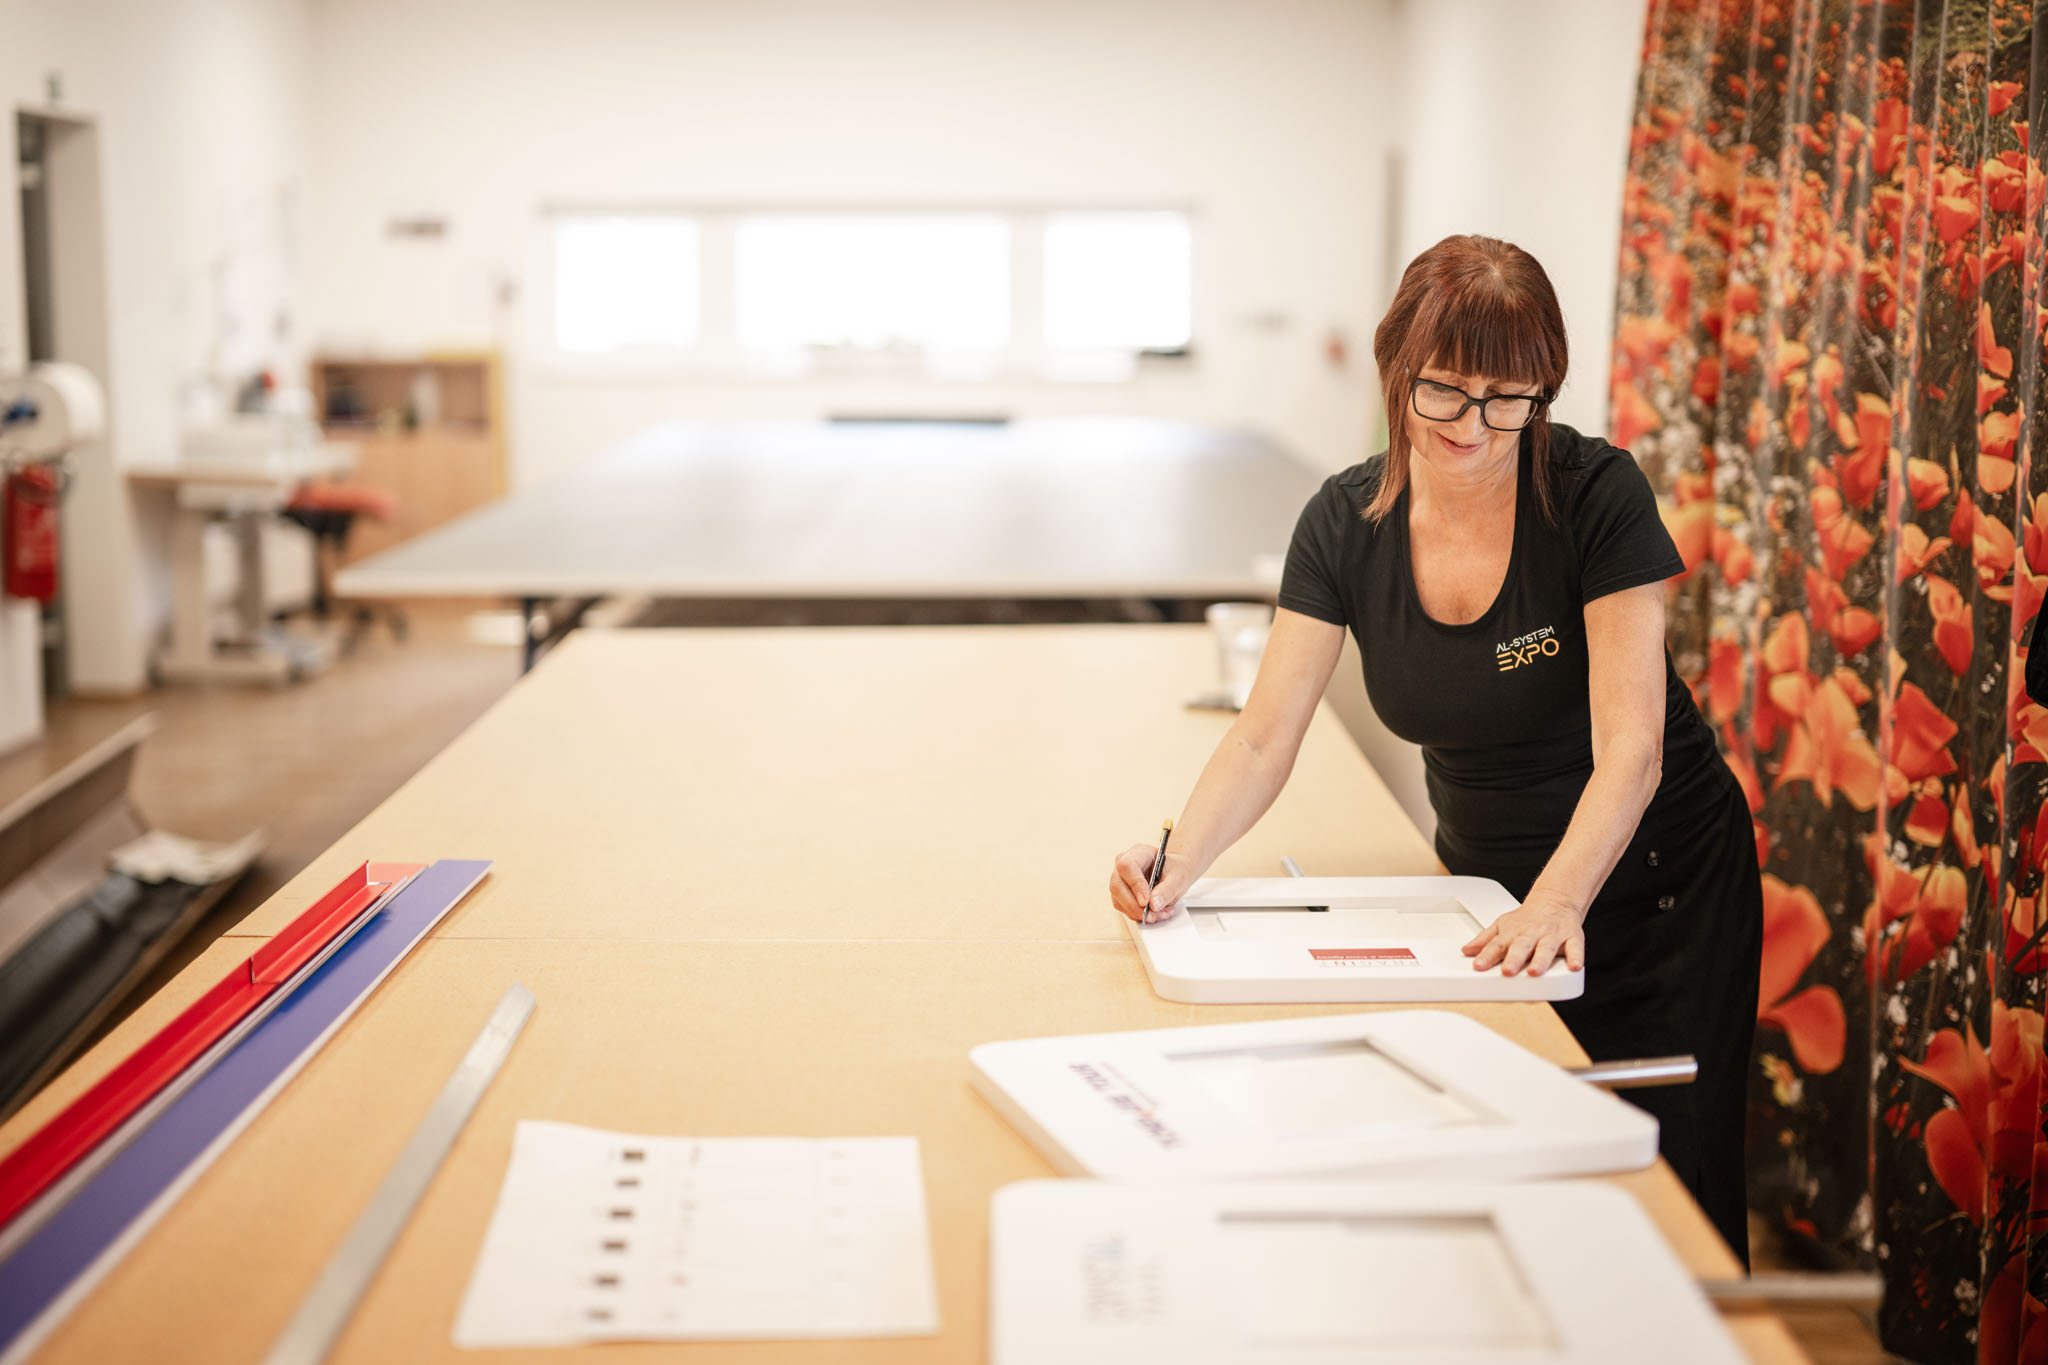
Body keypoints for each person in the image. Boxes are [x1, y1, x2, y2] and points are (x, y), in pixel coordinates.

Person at [1108, 234, 1763, 1264]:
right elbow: (1265, 734)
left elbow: (1632, 748)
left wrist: (1558, 902)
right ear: (1395, 370)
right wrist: (1175, 861)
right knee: (1509, 1165)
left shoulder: (1594, 495)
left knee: (1667, 1186)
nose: (1472, 426)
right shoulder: (1343, 521)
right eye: (1445, 391)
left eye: (1507, 400)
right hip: (1484, 893)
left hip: (1653, 884)